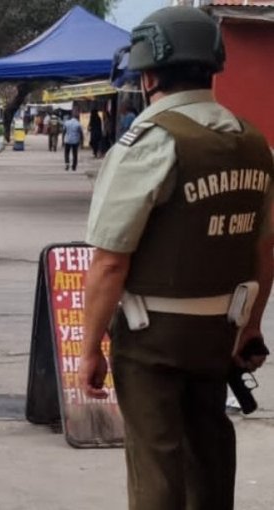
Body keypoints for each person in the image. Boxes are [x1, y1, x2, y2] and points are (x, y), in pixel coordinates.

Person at [78, 6, 274, 510]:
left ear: (147, 75)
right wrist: (250, 326)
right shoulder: (253, 143)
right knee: (209, 451)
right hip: (220, 332)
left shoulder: (150, 141)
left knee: (156, 464)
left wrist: (88, 348)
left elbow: (110, 262)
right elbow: (263, 248)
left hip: (151, 337)